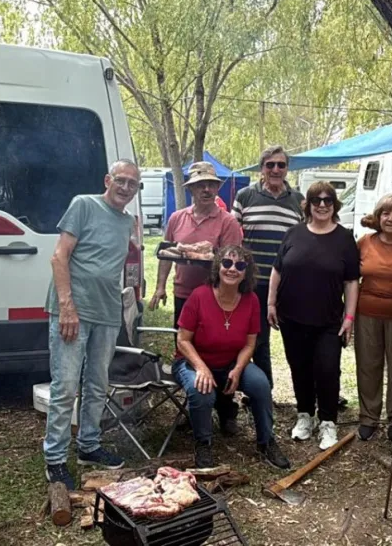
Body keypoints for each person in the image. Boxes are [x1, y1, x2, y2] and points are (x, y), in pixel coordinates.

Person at [43, 159, 140, 490]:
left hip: (107, 311)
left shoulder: (128, 222)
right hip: (74, 311)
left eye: (133, 184)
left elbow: (123, 261)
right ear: (108, 180)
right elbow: (59, 256)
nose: (126, 188)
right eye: (121, 180)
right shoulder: (83, 204)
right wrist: (67, 307)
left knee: (98, 383)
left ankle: (88, 446)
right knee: (66, 385)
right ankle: (55, 460)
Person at [173, 245, 292, 470]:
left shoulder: (251, 300)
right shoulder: (199, 295)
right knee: (202, 390)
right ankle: (203, 443)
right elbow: (183, 340)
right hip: (192, 361)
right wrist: (202, 368)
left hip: (230, 362)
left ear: (246, 272)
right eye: (227, 263)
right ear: (218, 267)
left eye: (239, 265)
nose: (232, 269)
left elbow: (250, 344)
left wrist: (237, 370)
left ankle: (266, 441)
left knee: (259, 384)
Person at [149, 161, 244, 434]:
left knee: (221, 355)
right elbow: (168, 254)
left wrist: (208, 255)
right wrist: (160, 287)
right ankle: (193, 409)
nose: (206, 189)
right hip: (184, 295)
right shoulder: (177, 218)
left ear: (217, 188)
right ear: (191, 189)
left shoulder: (227, 222)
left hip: (218, 299)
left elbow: (234, 261)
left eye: (211, 184)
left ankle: (227, 411)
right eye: (200, 184)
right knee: (187, 354)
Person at [268, 181, 360, 451]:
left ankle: (328, 421)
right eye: (316, 200)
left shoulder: (344, 239)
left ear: (335, 205)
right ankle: (305, 415)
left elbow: (352, 282)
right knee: (300, 368)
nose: (322, 205)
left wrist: (349, 318)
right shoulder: (293, 234)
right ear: (307, 205)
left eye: (328, 200)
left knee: (328, 369)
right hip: (291, 317)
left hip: (329, 320)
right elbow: (277, 270)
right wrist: (271, 303)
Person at [232, 146, 304, 387]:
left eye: (280, 165)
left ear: (287, 168)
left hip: (290, 284)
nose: (275, 169)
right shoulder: (245, 196)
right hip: (254, 282)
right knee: (258, 340)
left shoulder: (299, 200)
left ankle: (305, 397)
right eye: (269, 165)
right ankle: (263, 392)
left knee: (296, 341)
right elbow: (232, 237)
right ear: (261, 168)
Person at [354, 194, 392, 442]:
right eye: (385, 213)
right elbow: (351, 279)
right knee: (368, 366)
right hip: (366, 312)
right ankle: (368, 417)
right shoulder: (365, 242)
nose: (390, 218)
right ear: (378, 217)